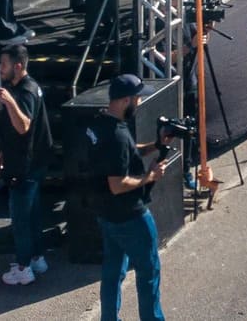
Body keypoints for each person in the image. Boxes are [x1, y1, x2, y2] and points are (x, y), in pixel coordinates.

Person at [88, 74, 168, 321]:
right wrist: (149, 177)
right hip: (131, 216)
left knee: (112, 272)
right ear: (125, 100)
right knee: (149, 272)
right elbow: (117, 184)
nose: (140, 102)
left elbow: (126, 154)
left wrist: (156, 145)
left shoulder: (100, 124)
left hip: (106, 215)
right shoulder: (118, 137)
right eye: (137, 98)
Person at [0, 44, 55, 287]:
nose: (1, 69)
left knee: (20, 217)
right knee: (32, 213)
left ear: (18, 66)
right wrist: (4, 151)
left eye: (4, 64)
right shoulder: (26, 87)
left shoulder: (25, 91)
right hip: (30, 160)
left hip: (25, 165)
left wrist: (9, 101)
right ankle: (37, 258)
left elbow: (23, 126)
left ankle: (23, 267)